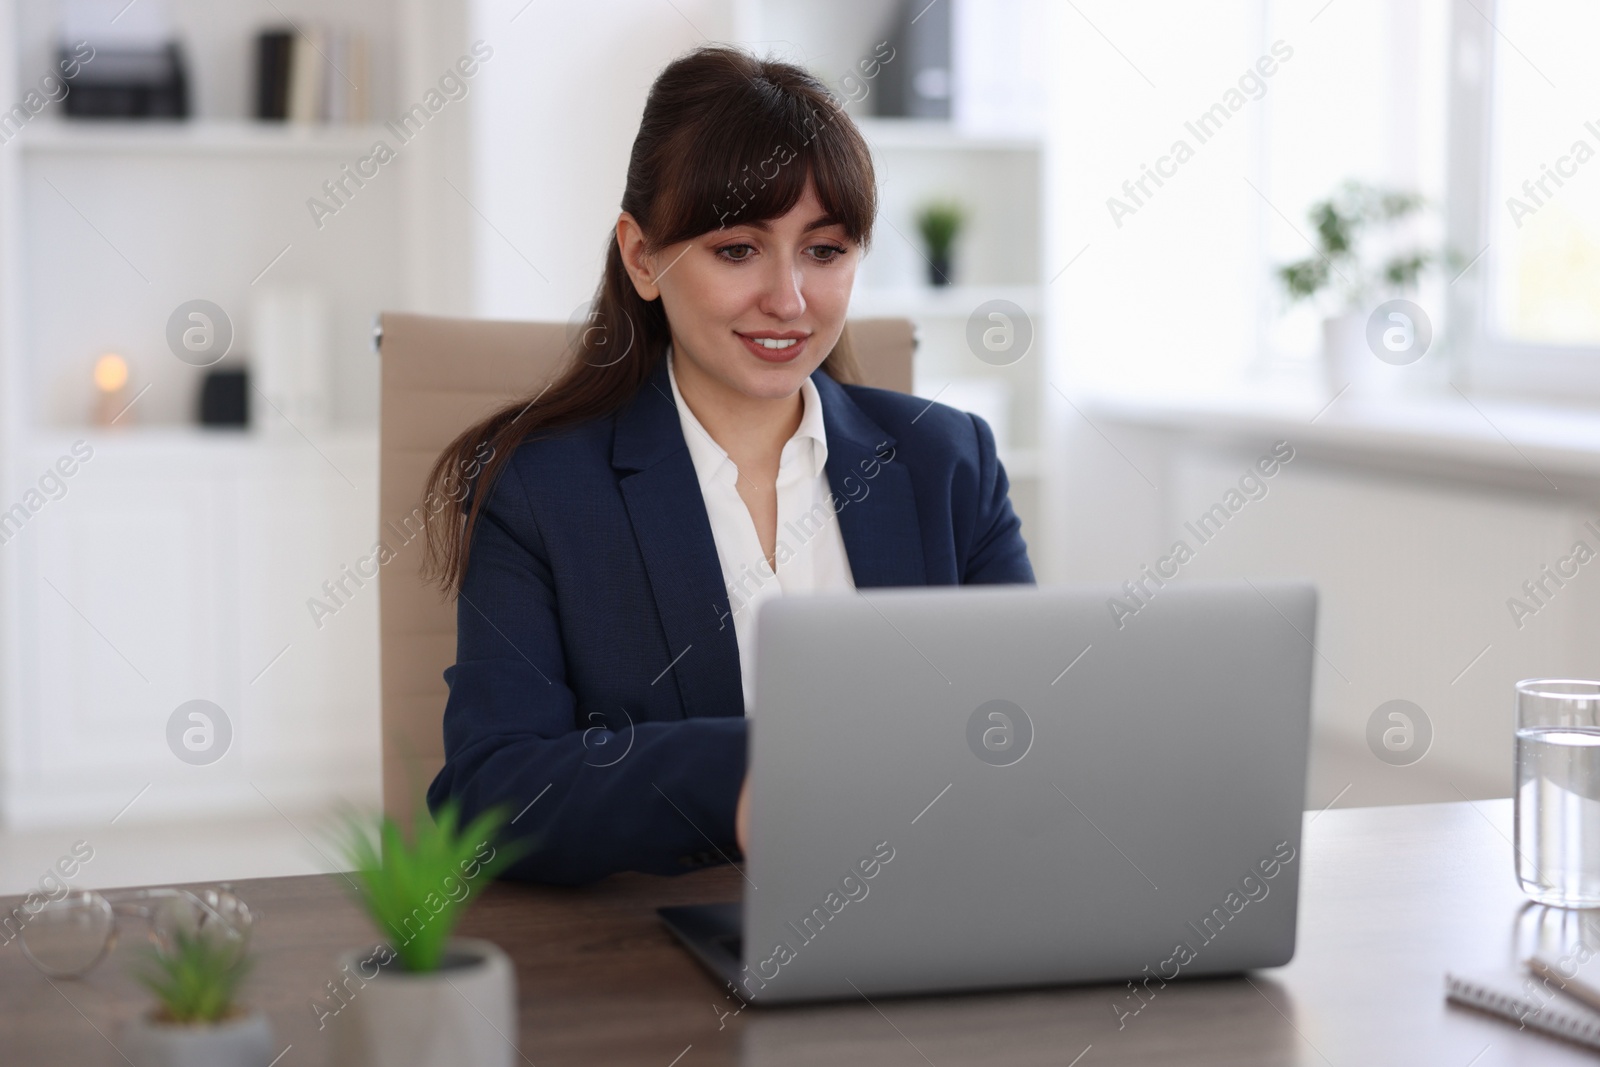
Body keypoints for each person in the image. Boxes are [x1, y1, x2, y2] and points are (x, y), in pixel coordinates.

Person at [421, 43, 1035, 886]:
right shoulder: (537, 490)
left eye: (825, 251)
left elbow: (1022, 734)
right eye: (738, 249)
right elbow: (489, 800)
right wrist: (760, 767)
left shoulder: (950, 462)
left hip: (932, 919)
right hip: (668, 962)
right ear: (643, 257)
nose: (788, 299)